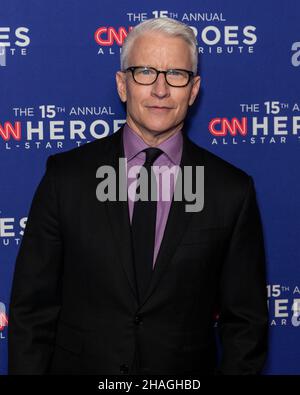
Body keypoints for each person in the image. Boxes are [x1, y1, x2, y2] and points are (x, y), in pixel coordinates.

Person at [8, 17, 268, 375]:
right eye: (145, 72)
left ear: (193, 90)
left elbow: (246, 326)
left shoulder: (230, 191)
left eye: (176, 74)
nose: (160, 90)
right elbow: (32, 311)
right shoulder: (66, 178)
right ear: (122, 85)